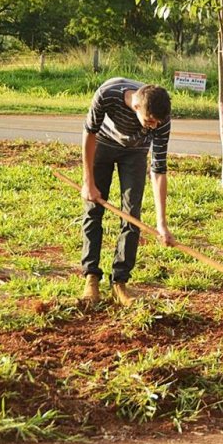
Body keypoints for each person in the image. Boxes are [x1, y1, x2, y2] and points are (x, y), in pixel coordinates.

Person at [80, 78, 175, 306]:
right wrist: (88, 182)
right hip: (102, 144)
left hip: (134, 153)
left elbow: (159, 169)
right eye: (149, 121)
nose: (152, 126)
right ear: (136, 107)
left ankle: (119, 282)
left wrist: (161, 223)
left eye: (156, 123)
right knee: (94, 209)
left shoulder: (161, 118)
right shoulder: (107, 94)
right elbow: (89, 134)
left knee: (132, 215)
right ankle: (91, 278)